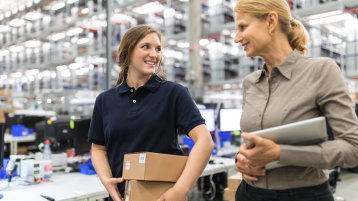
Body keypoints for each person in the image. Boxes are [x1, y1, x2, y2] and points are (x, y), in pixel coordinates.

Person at [233, 0, 358, 200]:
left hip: (303, 195)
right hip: (249, 193)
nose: (237, 38)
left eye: (243, 27)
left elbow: (353, 148)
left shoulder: (321, 71)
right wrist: (242, 159)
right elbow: (252, 143)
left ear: (271, 21)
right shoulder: (250, 83)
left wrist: (281, 153)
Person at [88, 24, 214, 201]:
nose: (154, 55)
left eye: (158, 49)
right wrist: (107, 181)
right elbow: (98, 148)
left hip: (163, 197)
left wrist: (180, 190)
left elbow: (205, 142)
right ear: (128, 51)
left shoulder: (174, 93)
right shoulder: (105, 100)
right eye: (145, 47)